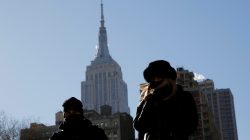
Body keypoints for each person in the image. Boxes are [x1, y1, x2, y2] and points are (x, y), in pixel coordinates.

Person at [134, 60, 198, 140]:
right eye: (152, 79)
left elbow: (191, 125)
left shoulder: (184, 97)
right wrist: (149, 103)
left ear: (169, 79)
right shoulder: (147, 100)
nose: (155, 81)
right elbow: (139, 126)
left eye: (158, 78)